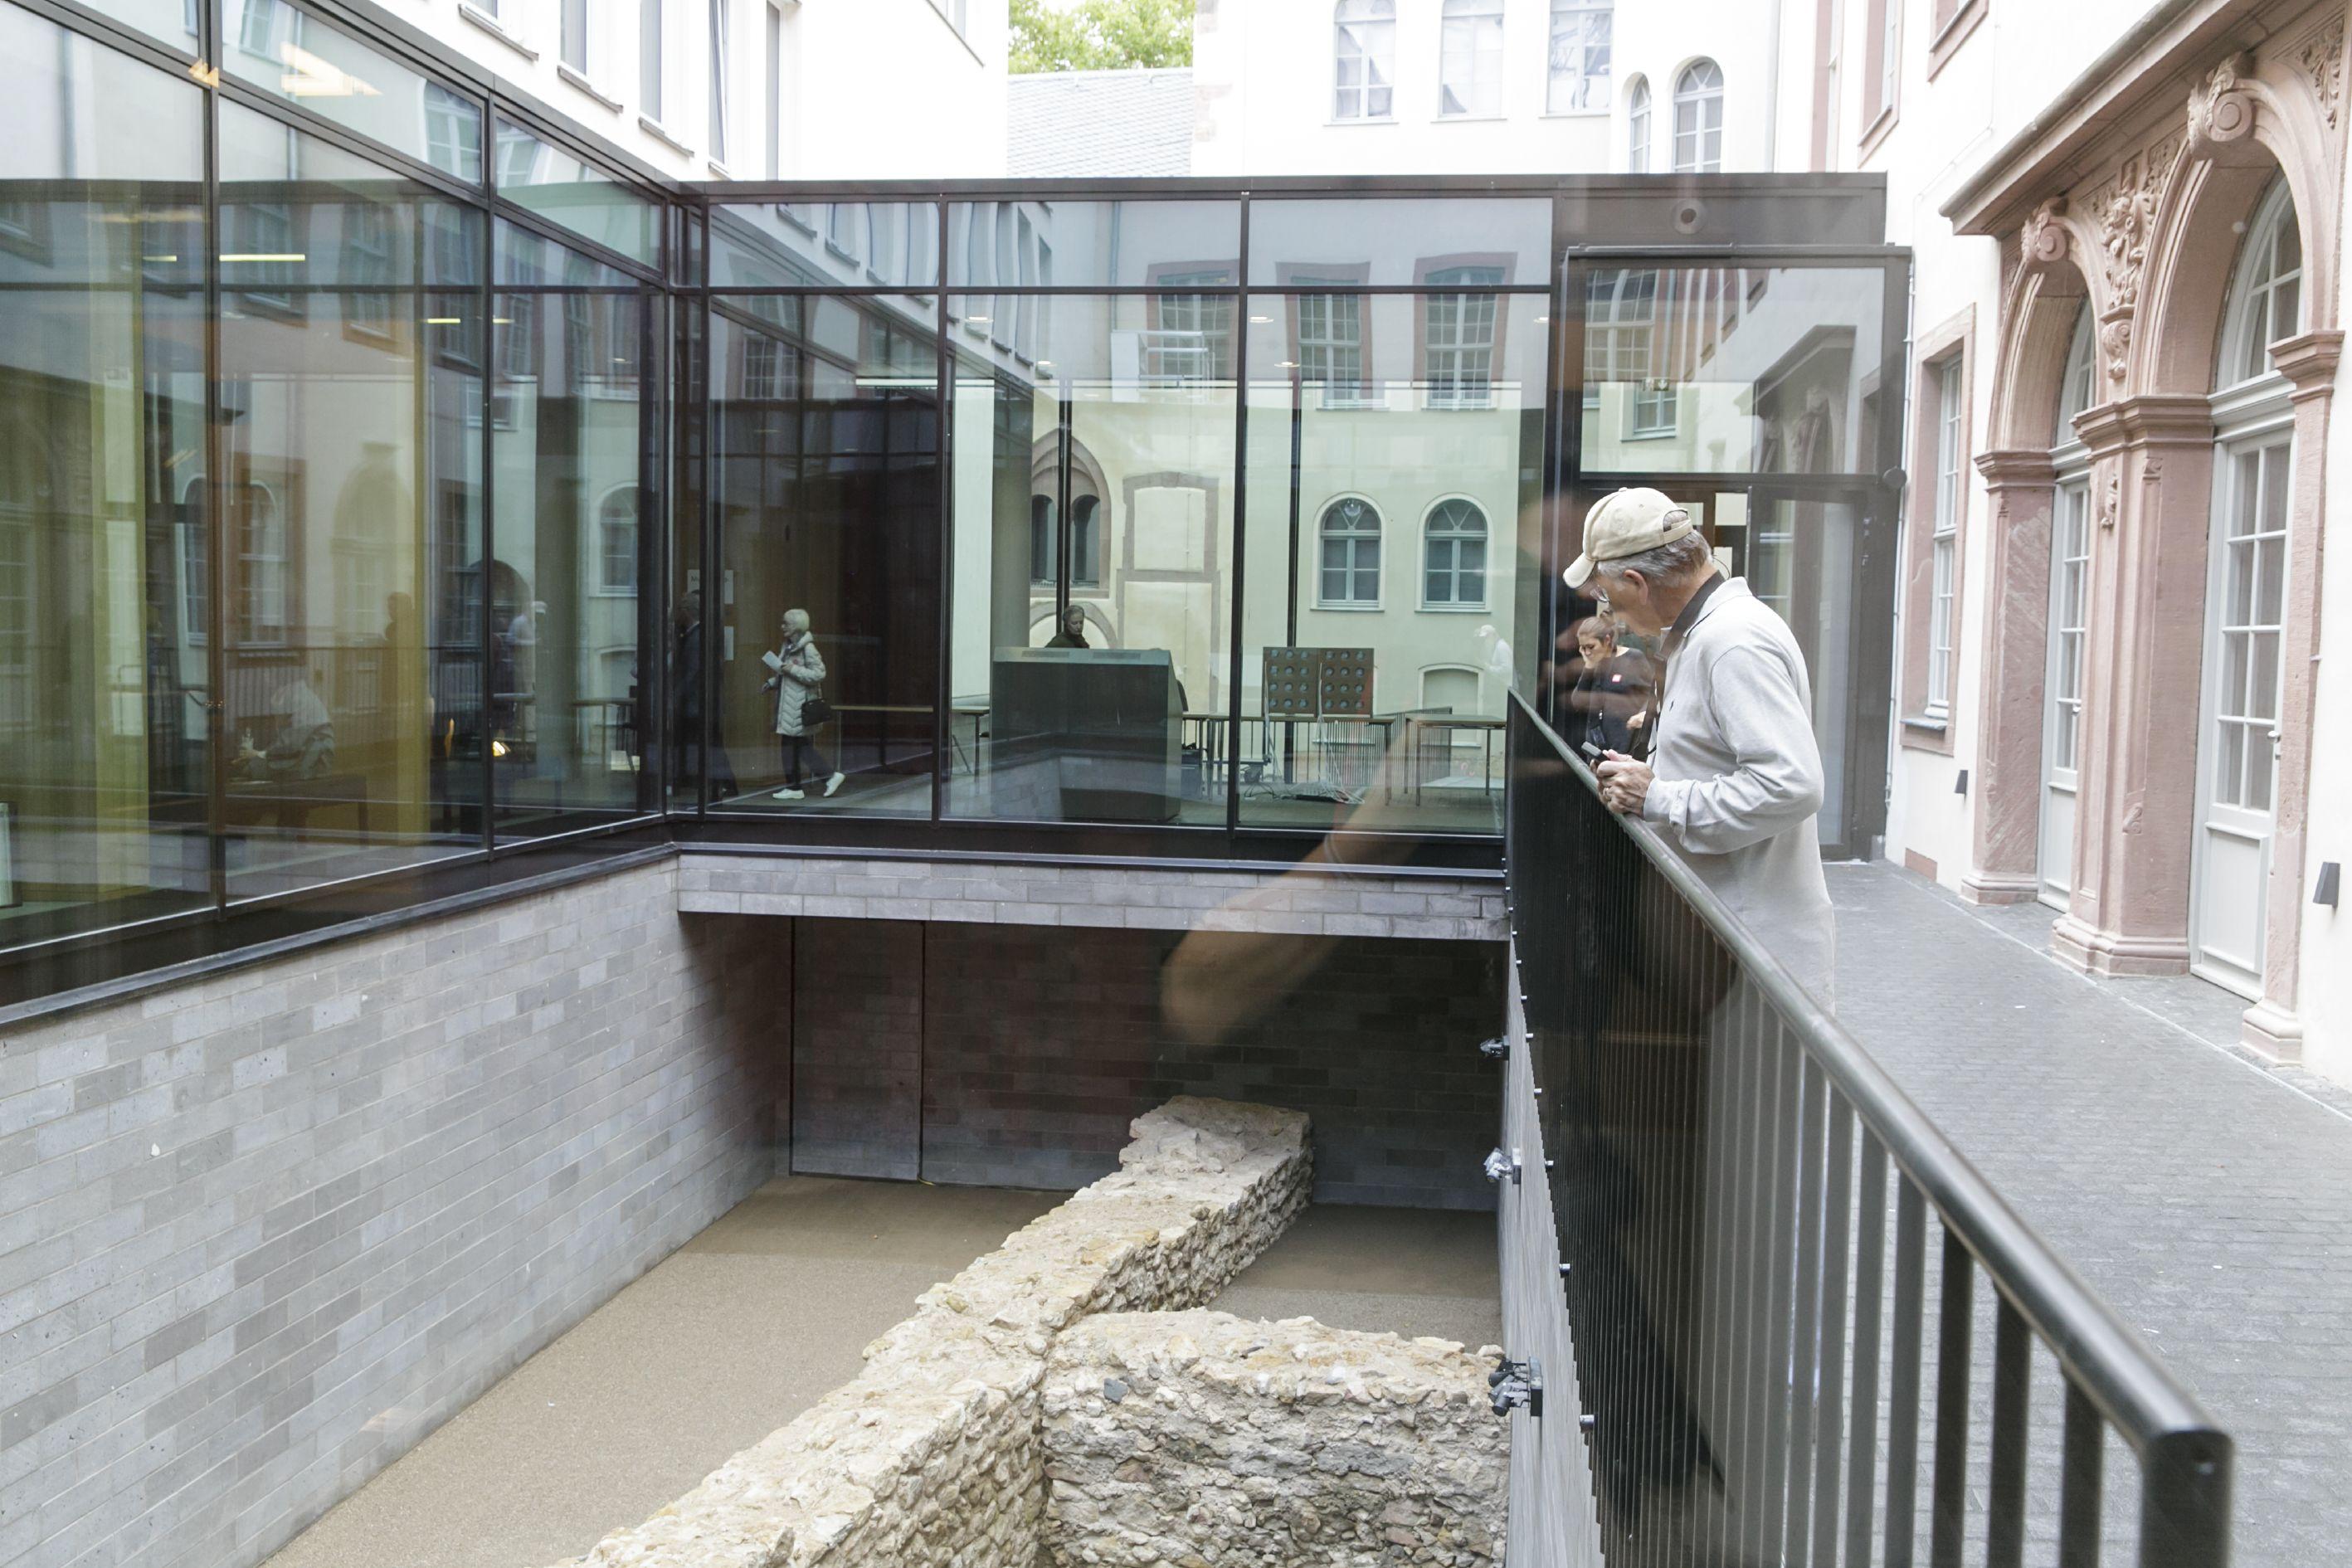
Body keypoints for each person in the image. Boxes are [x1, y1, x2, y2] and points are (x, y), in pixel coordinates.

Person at [1570, 487, 1835, 1006]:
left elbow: (1793, 786)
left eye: (1605, 594)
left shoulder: (1731, 641)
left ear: (1636, 582)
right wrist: (1648, 775)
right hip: (1729, 951)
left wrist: (1658, 799)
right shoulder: (1711, 633)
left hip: (1751, 959)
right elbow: (1720, 759)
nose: (1609, 610)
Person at [765, 607, 843, 801]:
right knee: (799, 747)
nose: (782, 626)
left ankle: (801, 785)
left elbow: (818, 674)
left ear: (797, 627)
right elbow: (786, 673)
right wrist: (773, 682)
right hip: (790, 706)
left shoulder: (808, 648)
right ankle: (821, 779)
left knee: (792, 747)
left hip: (799, 707)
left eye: (787, 623)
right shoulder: (788, 647)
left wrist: (791, 669)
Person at [1563, 616, 1653, 757]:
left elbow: (1652, 695)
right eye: (1583, 648)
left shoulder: (1633, 658)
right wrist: (1589, 667)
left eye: (1591, 647)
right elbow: (1578, 702)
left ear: (1606, 640)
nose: (1587, 652)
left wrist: (1644, 715)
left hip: (1625, 748)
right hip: (1597, 748)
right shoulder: (1593, 662)